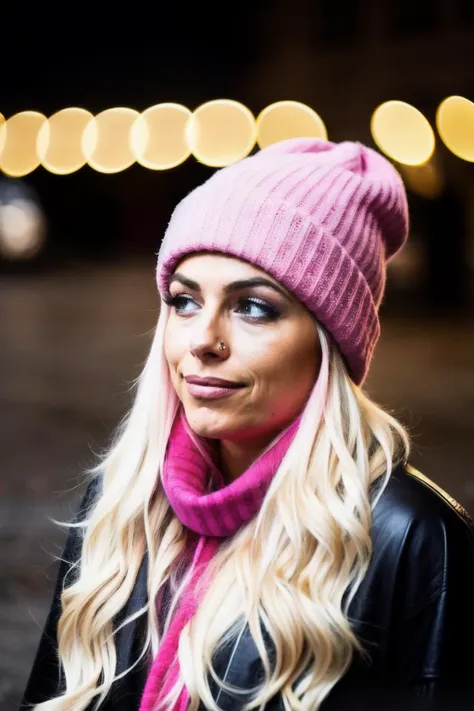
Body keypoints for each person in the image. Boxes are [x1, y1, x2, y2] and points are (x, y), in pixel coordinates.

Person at [20, 138, 474, 711]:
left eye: (252, 307)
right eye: (184, 301)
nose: (203, 340)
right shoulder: (118, 503)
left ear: (330, 341)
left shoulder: (410, 536)